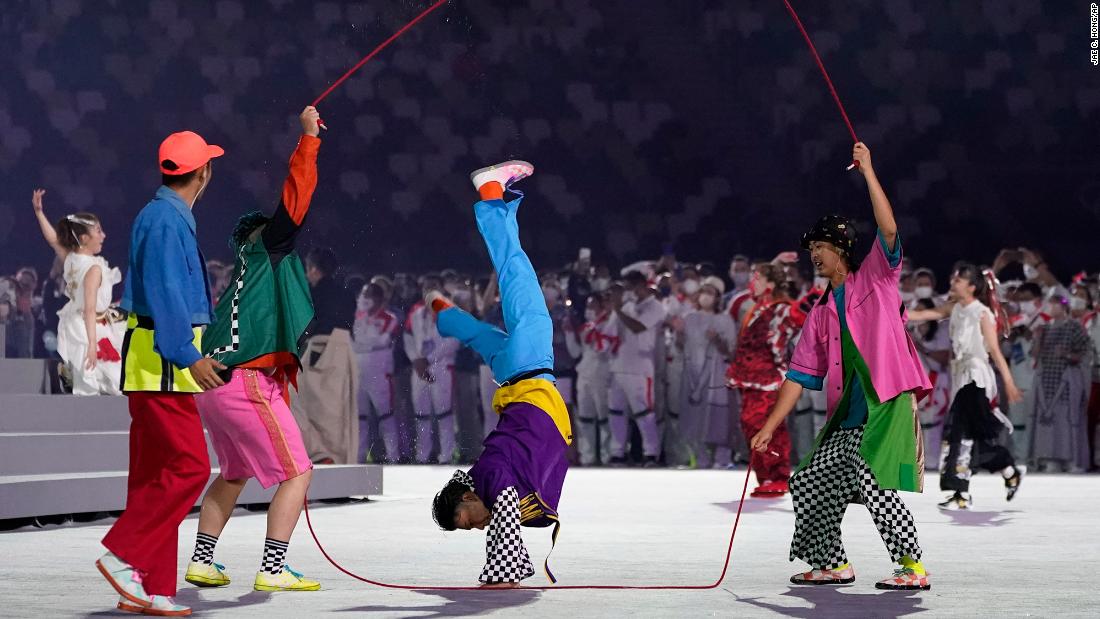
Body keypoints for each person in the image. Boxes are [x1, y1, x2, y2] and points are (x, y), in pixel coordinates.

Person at [750, 142, 934, 591]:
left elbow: (888, 228)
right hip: (849, 414)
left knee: (874, 485)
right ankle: (832, 563)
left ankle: (912, 567)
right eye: (812, 247)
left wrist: (868, 170)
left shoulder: (877, 276)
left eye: (822, 246)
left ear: (842, 249)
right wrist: (771, 425)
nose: (815, 254)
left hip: (887, 402)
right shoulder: (819, 310)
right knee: (811, 480)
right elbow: (797, 375)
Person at [184, 106, 324, 594]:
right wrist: (308, 138)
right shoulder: (268, 249)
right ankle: (274, 567)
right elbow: (295, 203)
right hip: (245, 380)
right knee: (299, 473)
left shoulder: (244, 275)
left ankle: (202, 561)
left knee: (235, 471)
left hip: (214, 383)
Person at [97, 128, 225, 617]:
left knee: (154, 477)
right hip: (164, 364)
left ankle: (150, 587)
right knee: (190, 466)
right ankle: (125, 553)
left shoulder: (158, 214)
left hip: (149, 360)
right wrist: (189, 357)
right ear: (204, 172)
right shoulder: (171, 223)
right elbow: (171, 295)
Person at [430, 160, 571, 587]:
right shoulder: (483, 479)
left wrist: (501, 573)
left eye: (466, 521)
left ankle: (490, 194)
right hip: (512, 375)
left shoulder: (492, 482)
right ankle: (449, 318)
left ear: (468, 497)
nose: (475, 526)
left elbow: (506, 520)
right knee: (485, 338)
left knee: (515, 269)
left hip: (529, 370)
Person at [909, 265, 1025, 509]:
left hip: (976, 377)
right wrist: (892, 311)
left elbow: (993, 350)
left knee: (958, 432)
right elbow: (925, 315)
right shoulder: (955, 308)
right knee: (974, 437)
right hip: (961, 377)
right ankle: (1007, 470)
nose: (953, 281)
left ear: (971, 286)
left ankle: (962, 492)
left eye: (959, 279)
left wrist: (1009, 381)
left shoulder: (982, 313)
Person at [31, 189, 125, 395]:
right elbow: (90, 309)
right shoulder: (92, 268)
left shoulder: (72, 258)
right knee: (101, 380)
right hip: (89, 326)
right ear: (84, 238)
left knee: (90, 377)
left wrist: (39, 213)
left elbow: (53, 240)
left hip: (74, 322)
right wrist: (93, 344)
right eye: (98, 231)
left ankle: (70, 380)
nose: (104, 235)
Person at [728, 263, 802, 496]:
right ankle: (766, 476)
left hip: (769, 376)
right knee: (749, 424)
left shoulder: (781, 308)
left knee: (768, 425)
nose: (752, 282)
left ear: (770, 284)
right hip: (750, 376)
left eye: (757, 278)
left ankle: (778, 475)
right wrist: (776, 261)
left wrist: (817, 293)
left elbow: (798, 315)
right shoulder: (758, 308)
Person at [292, 246, 359, 465]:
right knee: (339, 408)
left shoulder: (312, 293)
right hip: (345, 348)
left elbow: (309, 324)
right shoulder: (347, 293)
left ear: (312, 269)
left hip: (320, 349)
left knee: (309, 404)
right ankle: (338, 457)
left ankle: (321, 454)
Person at [608, 270, 668, 466]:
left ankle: (651, 452)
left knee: (644, 413)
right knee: (616, 411)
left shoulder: (656, 307)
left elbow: (638, 327)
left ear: (641, 286)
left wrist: (618, 310)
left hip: (641, 368)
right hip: (619, 365)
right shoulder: (627, 306)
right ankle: (617, 452)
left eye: (630, 288)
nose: (627, 292)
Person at [404, 275, 462, 463]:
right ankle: (422, 455)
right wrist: (416, 360)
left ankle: (446, 455)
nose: (428, 291)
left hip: (442, 366)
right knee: (421, 413)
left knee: (444, 412)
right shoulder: (415, 312)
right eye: (426, 288)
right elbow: (408, 338)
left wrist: (428, 360)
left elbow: (453, 341)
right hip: (419, 367)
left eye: (433, 287)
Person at [1031, 295, 1092, 472]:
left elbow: (1084, 353)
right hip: (1047, 381)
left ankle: (1073, 460)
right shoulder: (1044, 329)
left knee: (1067, 420)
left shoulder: (1074, 327)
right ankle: (1051, 458)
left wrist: (1066, 354)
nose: (1051, 308)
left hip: (1067, 380)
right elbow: (1035, 354)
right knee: (1048, 424)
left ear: (1062, 306)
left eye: (1054, 305)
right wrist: (1037, 339)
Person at [567, 292, 618, 465]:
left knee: (603, 415)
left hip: (601, 372)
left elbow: (603, 347)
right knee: (585, 416)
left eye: (593, 305)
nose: (589, 309)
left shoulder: (608, 323)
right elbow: (576, 352)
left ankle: (607, 455)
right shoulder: (586, 327)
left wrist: (596, 329)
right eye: (588, 306)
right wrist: (568, 334)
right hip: (584, 373)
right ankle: (587, 456)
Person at [353, 281, 400, 463]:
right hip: (359, 374)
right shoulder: (356, 318)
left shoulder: (390, 319)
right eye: (363, 294)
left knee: (386, 417)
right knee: (360, 418)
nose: (364, 299)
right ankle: (359, 458)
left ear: (379, 299)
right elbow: (353, 342)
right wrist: (364, 343)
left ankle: (393, 457)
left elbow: (381, 341)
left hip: (380, 375)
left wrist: (362, 344)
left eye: (369, 295)